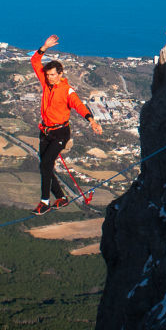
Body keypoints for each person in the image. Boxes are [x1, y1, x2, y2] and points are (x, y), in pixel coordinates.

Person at [30, 34, 103, 215]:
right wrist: (44, 47)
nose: (50, 78)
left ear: (60, 74)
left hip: (61, 133)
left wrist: (91, 120)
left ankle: (45, 201)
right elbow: (35, 61)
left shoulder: (66, 90)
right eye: (48, 75)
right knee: (44, 166)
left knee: (46, 164)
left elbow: (78, 105)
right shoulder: (46, 83)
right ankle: (61, 198)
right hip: (45, 131)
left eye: (53, 75)